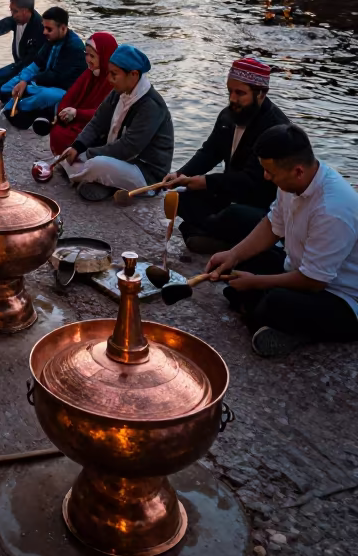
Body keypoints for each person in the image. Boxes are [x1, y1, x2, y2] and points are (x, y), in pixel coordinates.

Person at [206, 124, 358, 358]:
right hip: (299, 270)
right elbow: (272, 225)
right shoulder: (291, 183)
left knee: (277, 302)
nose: (266, 177)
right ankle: (261, 314)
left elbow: (314, 282)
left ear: (297, 171)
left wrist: (257, 283)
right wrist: (233, 254)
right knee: (245, 263)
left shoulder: (332, 209)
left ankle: (290, 328)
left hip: (341, 298)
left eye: (271, 172)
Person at [162, 57, 290, 252]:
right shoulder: (228, 115)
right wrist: (180, 175)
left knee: (235, 214)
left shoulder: (275, 128)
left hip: (261, 206)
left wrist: (206, 182)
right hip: (228, 195)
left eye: (240, 93)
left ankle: (208, 234)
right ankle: (217, 236)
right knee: (181, 197)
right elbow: (210, 152)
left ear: (261, 94)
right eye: (230, 91)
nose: (232, 99)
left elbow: (252, 182)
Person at [60, 44, 174, 201]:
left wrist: (87, 154)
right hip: (120, 162)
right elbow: (97, 122)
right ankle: (101, 181)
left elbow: (128, 148)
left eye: (114, 75)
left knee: (96, 164)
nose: (109, 79)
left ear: (133, 75)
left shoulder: (151, 106)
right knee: (69, 152)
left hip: (145, 173)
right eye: (109, 74)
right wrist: (77, 146)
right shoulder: (118, 92)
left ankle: (93, 178)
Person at [0, 7, 86, 129]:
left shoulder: (74, 47)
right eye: (44, 27)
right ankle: (16, 105)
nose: (44, 32)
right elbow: (36, 64)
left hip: (63, 90)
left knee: (42, 95)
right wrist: (23, 80)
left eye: (48, 29)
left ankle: (21, 109)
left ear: (63, 28)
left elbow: (55, 77)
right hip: (44, 82)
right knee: (7, 87)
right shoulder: (52, 38)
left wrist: (29, 82)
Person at [49, 32, 118, 155]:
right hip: (80, 122)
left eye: (92, 56)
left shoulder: (112, 82)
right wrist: (63, 111)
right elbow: (70, 95)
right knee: (58, 129)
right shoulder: (89, 73)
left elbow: (105, 115)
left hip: (97, 128)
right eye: (86, 54)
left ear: (104, 56)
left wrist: (77, 113)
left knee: (66, 136)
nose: (88, 59)